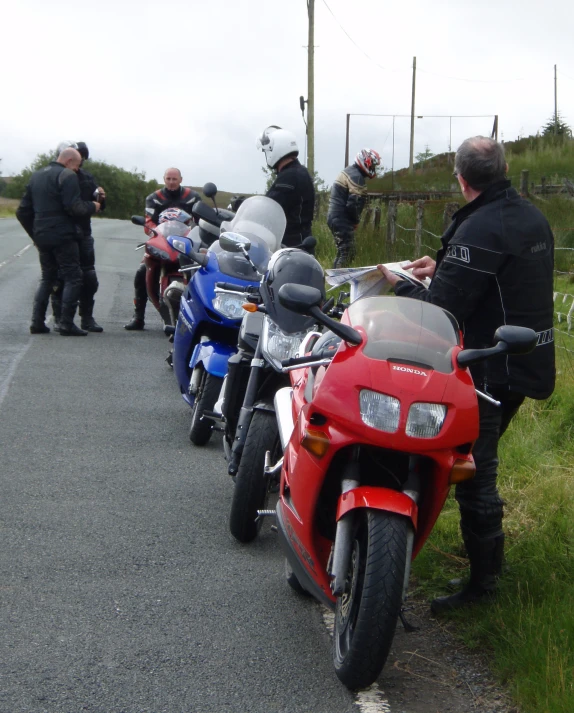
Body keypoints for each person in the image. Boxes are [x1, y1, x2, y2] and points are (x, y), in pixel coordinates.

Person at [377, 136, 555, 613]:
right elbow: (500, 274)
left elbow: (441, 311)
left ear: (461, 178)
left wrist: (403, 286)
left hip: (490, 368)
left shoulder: (480, 227)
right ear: (504, 169)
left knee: (475, 472)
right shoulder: (529, 216)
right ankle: (474, 567)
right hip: (526, 360)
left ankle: (484, 589)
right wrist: (444, 265)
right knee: (475, 464)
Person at [16, 148, 101, 336]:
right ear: (69, 161)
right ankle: (66, 323)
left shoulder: (36, 176)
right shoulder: (67, 175)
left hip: (42, 235)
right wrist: (92, 206)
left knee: (48, 277)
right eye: (77, 165)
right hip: (63, 235)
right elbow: (75, 208)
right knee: (73, 276)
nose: (78, 170)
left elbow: (22, 211)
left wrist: (35, 234)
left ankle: (37, 322)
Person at [124, 168, 200, 330]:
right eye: (168, 179)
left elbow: (199, 221)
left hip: (186, 244)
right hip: (161, 242)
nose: (171, 182)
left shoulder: (193, 197)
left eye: (174, 179)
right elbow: (148, 222)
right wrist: (155, 231)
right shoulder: (154, 198)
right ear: (164, 179)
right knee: (141, 272)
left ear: (181, 179)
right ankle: (138, 317)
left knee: (202, 271)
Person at [51, 141, 106, 332]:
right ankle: (59, 319)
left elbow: (99, 205)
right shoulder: (54, 177)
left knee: (89, 277)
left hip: (83, 233)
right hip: (62, 235)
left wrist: (101, 198)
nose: (80, 161)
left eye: (82, 157)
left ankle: (87, 318)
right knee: (60, 277)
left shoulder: (86, 178)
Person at [257, 126, 315, 249]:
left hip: (291, 246)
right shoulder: (300, 172)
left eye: (267, 151)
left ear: (276, 149)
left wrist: (240, 204)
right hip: (300, 241)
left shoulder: (289, 176)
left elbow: (269, 206)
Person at [327, 149, 381, 268]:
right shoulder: (356, 177)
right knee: (348, 253)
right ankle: (338, 280)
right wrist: (355, 221)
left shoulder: (349, 171)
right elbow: (353, 204)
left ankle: (333, 279)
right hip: (341, 218)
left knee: (343, 251)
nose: (373, 167)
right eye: (372, 164)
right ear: (366, 161)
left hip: (334, 216)